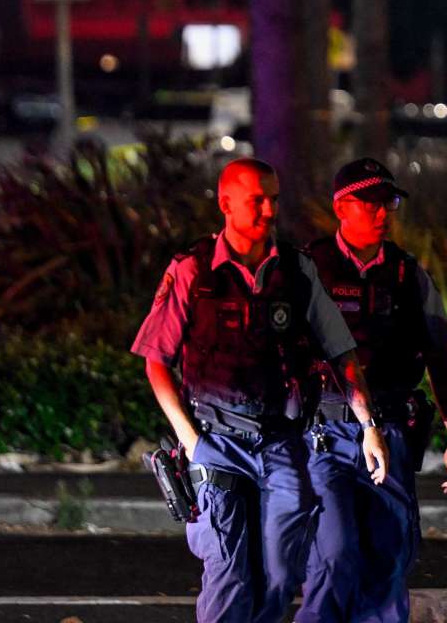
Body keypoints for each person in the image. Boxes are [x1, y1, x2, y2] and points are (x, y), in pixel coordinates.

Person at [131, 158, 389, 623]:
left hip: (280, 443)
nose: (269, 209)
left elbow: (341, 353)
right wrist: (191, 442)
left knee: (279, 575)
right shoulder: (193, 270)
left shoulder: (296, 270)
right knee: (230, 575)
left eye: (273, 198)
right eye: (257, 200)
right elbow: (156, 362)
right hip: (216, 441)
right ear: (226, 203)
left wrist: (368, 425)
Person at [299, 158, 447, 622]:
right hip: (325, 433)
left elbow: (438, 353)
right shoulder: (309, 269)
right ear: (341, 207)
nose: (382, 212)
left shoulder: (407, 275)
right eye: (370, 202)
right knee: (333, 557)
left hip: (392, 432)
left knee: (390, 559)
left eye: (388, 202)